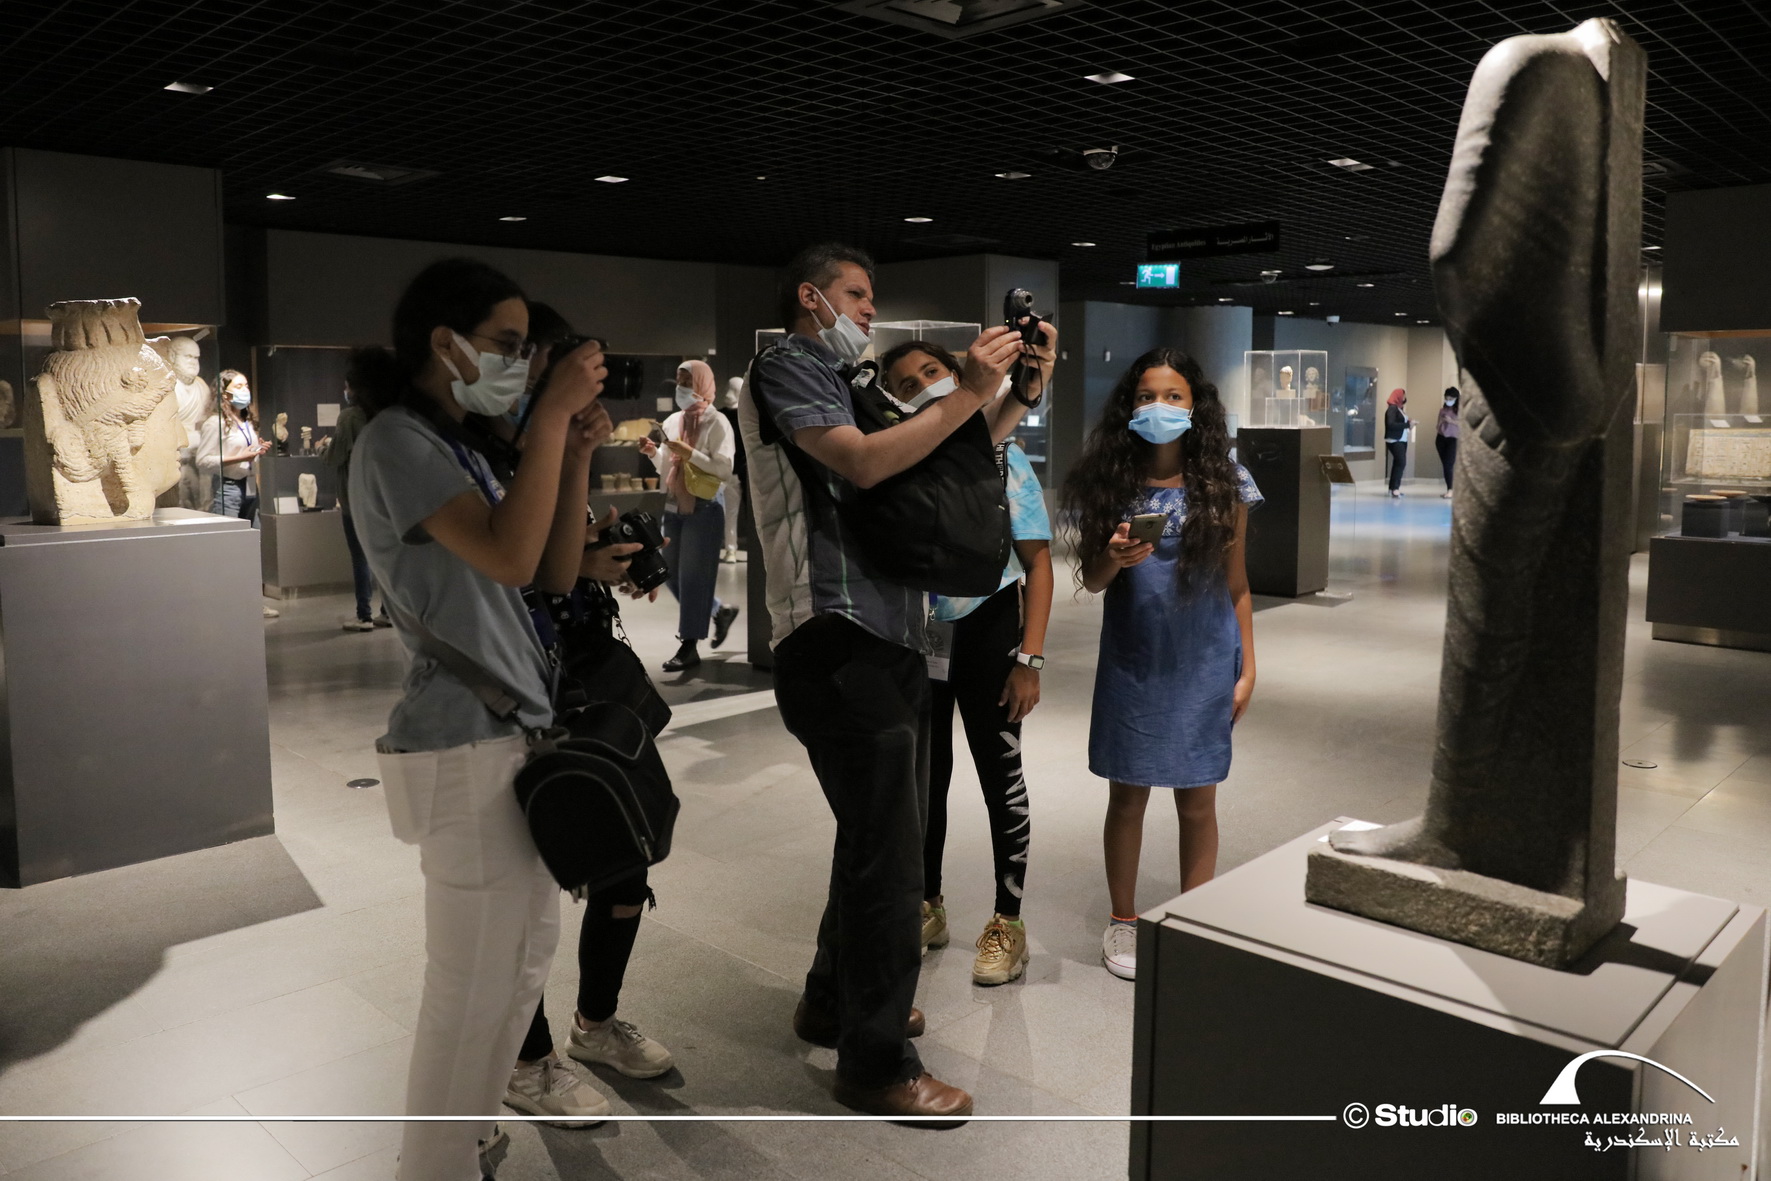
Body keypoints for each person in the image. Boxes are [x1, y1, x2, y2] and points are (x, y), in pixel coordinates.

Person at [740, 241, 1049, 1120]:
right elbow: (866, 461)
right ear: (810, 297)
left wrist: (1017, 390)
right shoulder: (789, 366)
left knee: (873, 841)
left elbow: (943, 454)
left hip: (888, 634)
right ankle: (876, 1062)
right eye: (856, 293)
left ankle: (833, 1001)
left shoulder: (851, 379)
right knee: (891, 861)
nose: (870, 309)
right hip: (835, 634)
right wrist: (968, 391)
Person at [346, 256, 612, 1179]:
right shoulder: (395, 441)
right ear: (443, 342)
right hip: (462, 737)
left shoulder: (454, 441)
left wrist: (571, 453)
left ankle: (465, 1138)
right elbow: (507, 558)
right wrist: (549, 417)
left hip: (508, 732)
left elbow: (552, 570)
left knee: (522, 963)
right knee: (467, 984)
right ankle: (432, 1163)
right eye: (506, 344)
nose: (521, 362)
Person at [1061, 348, 1261, 982]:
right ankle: (1123, 919)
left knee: (1198, 799)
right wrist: (1114, 557)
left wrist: (1247, 667)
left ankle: (1193, 919)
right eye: (1147, 396)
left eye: (1174, 396)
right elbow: (1093, 580)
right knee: (1128, 795)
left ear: (1195, 405)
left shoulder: (1226, 482)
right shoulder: (1111, 481)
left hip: (1204, 658)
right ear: (1130, 405)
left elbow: (1238, 583)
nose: (1160, 407)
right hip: (1135, 660)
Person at [879, 340, 1054, 987]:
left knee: (998, 774)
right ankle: (928, 903)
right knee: (924, 780)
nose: (921, 386)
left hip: (990, 632)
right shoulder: (898, 458)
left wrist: (1029, 658)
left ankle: (1008, 921)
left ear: (958, 378)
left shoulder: (1004, 456)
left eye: (931, 372)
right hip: (918, 638)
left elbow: (1038, 564)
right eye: (905, 384)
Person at [640, 359, 738, 672]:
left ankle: (689, 644)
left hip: (705, 506)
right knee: (667, 571)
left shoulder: (717, 422)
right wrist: (654, 453)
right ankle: (718, 611)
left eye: (687, 382)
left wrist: (690, 453)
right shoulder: (673, 421)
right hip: (674, 503)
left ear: (702, 385)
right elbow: (668, 467)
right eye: (679, 381)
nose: (681, 388)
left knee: (695, 578)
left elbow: (724, 469)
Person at [324, 360, 391, 631]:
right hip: (383, 497)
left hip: (356, 497)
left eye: (347, 387)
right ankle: (388, 612)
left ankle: (364, 615)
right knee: (384, 556)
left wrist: (323, 447)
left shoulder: (349, 417)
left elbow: (335, 456)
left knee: (360, 558)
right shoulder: (386, 414)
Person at [196, 369, 269, 520]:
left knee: (254, 532)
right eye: (238, 386)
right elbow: (202, 461)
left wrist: (257, 449)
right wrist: (240, 457)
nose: (245, 390)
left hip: (250, 485)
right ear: (224, 394)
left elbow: (245, 450)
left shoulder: (246, 422)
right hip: (228, 486)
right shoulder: (215, 423)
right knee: (230, 532)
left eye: (246, 386)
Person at [716, 376, 746, 562]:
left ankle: (731, 549)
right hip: (729, 472)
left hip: (735, 471)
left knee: (729, 513)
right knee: (729, 513)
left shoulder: (727, 415)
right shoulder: (734, 416)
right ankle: (730, 548)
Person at [1384, 387, 1411, 497]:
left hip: (1402, 439)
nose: (1404, 397)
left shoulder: (1399, 408)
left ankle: (1393, 488)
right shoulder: (1392, 408)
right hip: (1394, 440)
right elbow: (1390, 424)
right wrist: (1407, 425)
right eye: (1403, 395)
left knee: (1398, 463)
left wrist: (1408, 423)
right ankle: (1395, 488)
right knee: (1401, 462)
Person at [1435, 386, 1460, 498]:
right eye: (1446, 399)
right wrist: (1441, 421)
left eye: (1451, 399)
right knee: (1446, 466)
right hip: (1440, 439)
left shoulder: (1460, 411)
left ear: (1456, 399)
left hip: (1453, 439)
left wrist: (1451, 421)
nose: (1448, 401)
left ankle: (1451, 490)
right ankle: (1450, 489)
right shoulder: (1442, 410)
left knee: (1448, 465)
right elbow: (1437, 427)